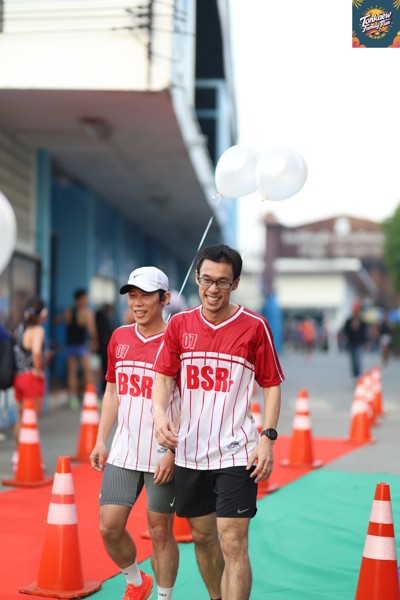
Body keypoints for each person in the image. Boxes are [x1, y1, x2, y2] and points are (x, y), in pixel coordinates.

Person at [152, 244, 284, 600]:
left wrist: (268, 438)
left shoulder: (255, 327)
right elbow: (163, 377)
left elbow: (271, 385)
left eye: (222, 282)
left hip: (237, 452)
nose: (213, 289)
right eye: (206, 280)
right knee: (203, 537)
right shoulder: (179, 324)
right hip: (190, 453)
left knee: (233, 540)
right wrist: (160, 414)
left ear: (235, 283)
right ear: (197, 278)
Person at [90, 266, 180, 600]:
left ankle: (164, 597)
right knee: (109, 526)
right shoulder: (119, 337)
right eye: (132, 296)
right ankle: (136, 581)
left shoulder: (177, 342)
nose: (137, 303)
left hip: (162, 453)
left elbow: (191, 403)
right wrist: (101, 439)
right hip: (124, 449)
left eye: (145, 296)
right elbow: (112, 391)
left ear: (164, 299)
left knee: (160, 532)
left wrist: (173, 451)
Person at [12, 297, 49, 471]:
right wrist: (39, 370)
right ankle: (29, 459)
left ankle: (17, 456)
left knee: (21, 418)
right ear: (42, 313)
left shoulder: (19, 328)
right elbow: (36, 353)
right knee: (31, 421)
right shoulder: (38, 330)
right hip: (31, 378)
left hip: (19, 378)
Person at [55, 288, 98, 408]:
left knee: (72, 373)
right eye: (85, 298)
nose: (87, 300)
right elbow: (91, 330)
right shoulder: (87, 313)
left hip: (70, 345)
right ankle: (92, 398)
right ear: (81, 299)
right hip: (81, 346)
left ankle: (73, 399)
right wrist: (95, 342)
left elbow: (57, 321)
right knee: (88, 372)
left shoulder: (68, 311)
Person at [342, 301, 368, 379]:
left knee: (358, 360)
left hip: (359, 343)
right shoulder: (349, 320)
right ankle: (355, 375)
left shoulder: (362, 321)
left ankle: (359, 376)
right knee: (353, 361)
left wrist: (366, 342)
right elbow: (345, 331)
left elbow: (364, 332)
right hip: (351, 343)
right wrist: (351, 327)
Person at [95, 303, 115, 392]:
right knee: (103, 368)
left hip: (102, 347)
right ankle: (102, 387)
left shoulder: (101, 319)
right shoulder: (104, 320)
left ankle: (102, 387)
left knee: (103, 368)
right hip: (103, 348)